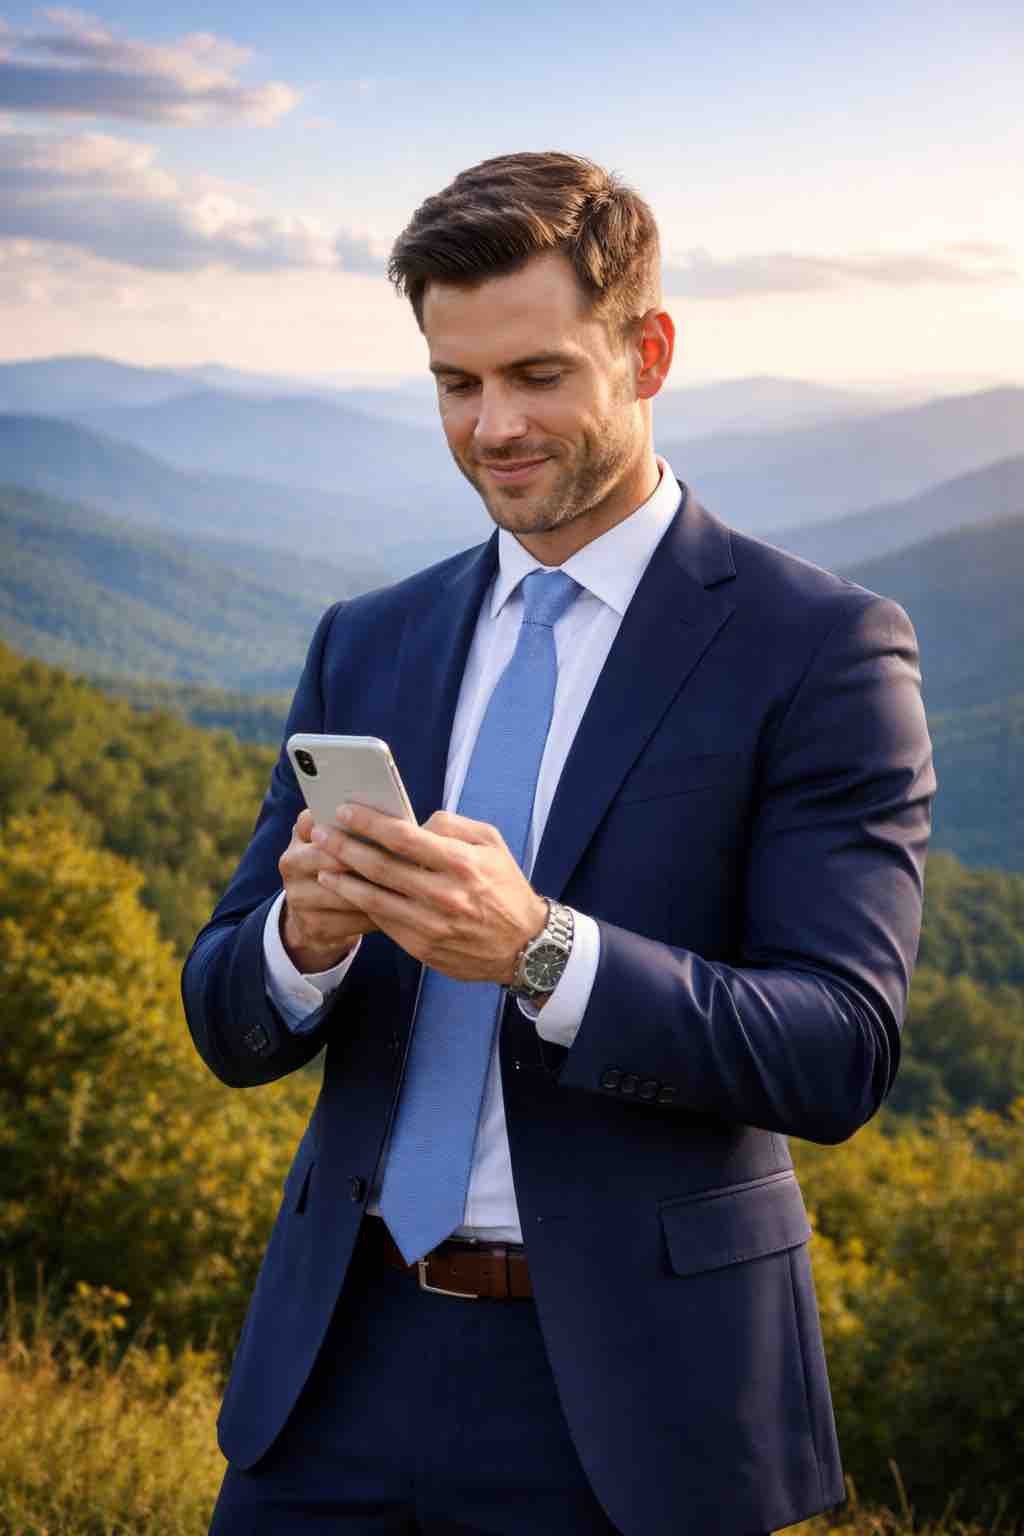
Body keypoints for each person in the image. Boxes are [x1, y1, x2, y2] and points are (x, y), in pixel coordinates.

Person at [182, 151, 935, 1536]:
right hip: (331, 1371)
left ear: (646, 351)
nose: (492, 427)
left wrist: (541, 950)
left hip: (636, 1409)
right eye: (455, 386)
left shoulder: (820, 649)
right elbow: (228, 1025)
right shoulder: (370, 638)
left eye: (536, 375)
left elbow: (841, 1048)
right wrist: (302, 942)